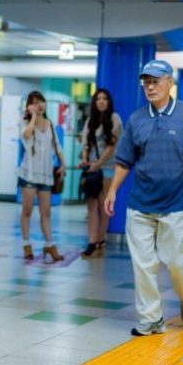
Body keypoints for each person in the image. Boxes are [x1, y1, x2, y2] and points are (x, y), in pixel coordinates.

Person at [103, 60, 183, 336]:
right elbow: (124, 160)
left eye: (156, 81)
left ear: (170, 82)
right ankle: (152, 318)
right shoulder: (137, 119)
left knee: (177, 259)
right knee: (143, 264)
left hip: (176, 204)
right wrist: (113, 189)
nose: (150, 86)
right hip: (140, 203)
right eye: (146, 82)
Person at [18, 90, 66, 262]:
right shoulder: (25, 122)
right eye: (35, 102)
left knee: (46, 212)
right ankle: (26, 244)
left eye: (41, 102)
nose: (39, 105)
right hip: (29, 174)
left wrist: (63, 163)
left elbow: (57, 146)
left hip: (46, 175)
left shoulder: (50, 124)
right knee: (27, 211)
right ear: (30, 106)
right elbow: (27, 135)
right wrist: (32, 117)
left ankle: (49, 245)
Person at [78, 88, 122, 259]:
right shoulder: (90, 120)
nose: (101, 101)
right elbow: (85, 145)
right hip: (91, 168)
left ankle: (101, 238)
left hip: (108, 166)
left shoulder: (115, 119)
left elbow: (111, 147)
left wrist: (98, 164)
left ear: (109, 102)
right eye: (98, 99)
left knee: (104, 204)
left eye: (105, 98)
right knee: (91, 205)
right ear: (94, 102)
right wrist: (85, 159)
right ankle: (91, 241)